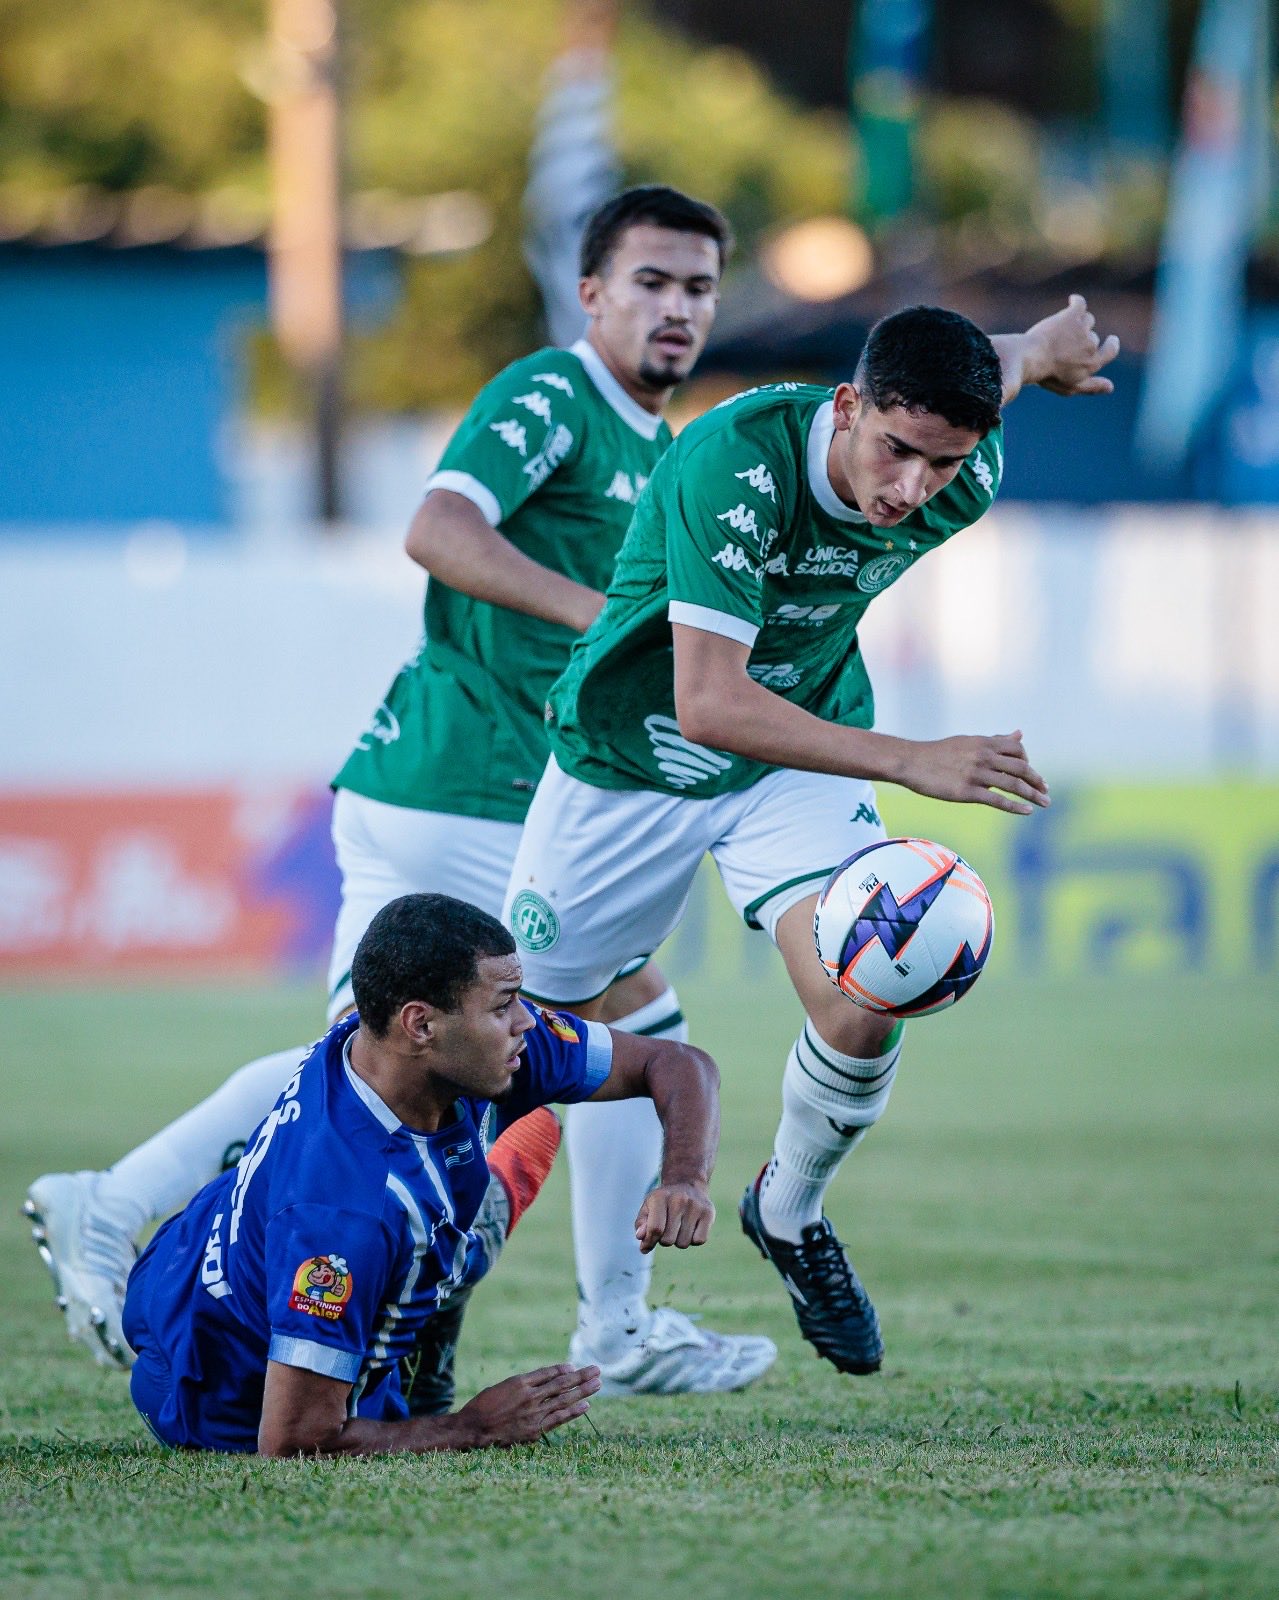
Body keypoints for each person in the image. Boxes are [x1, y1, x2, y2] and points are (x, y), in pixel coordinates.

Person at [26, 185, 777, 1398]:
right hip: (467, 779)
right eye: (650, 281)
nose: (676, 308)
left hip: (450, 786)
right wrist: (611, 621)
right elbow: (436, 527)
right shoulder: (552, 393)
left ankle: (110, 1201)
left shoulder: (659, 444)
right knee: (635, 1021)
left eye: (697, 286)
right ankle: (620, 1324)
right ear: (591, 293)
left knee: (359, 1065)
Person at [502, 297, 1120, 1376]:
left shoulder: (960, 468)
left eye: (940, 464)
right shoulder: (732, 463)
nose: (910, 488)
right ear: (845, 406)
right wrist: (911, 758)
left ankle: (786, 1212)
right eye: (894, 451)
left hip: (792, 757)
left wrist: (1036, 350)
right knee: (509, 1050)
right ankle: (422, 1291)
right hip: (627, 760)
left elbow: (991, 372)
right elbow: (707, 703)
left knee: (871, 981)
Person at [121, 893, 724, 1455]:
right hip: (217, 1397)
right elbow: (291, 1442)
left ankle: (456, 1246)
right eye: (503, 1005)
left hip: (185, 1262)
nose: (529, 1023)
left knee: (446, 1198)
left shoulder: (396, 1044)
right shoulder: (343, 1215)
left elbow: (679, 1065)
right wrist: (473, 1426)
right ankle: (454, 1260)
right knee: (415, 1234)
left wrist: (684, 1178)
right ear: (421, 1024)